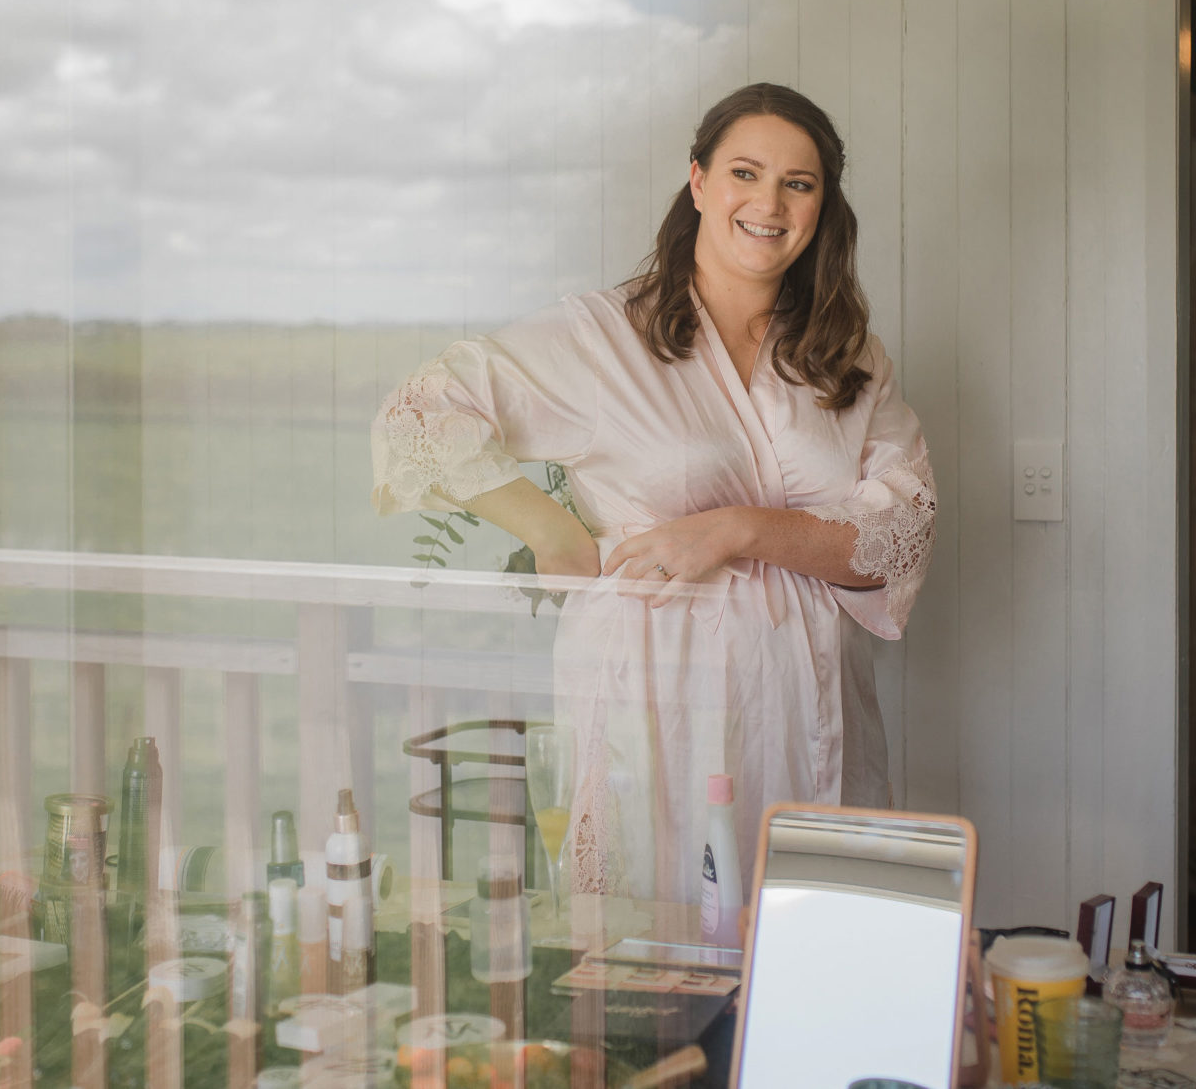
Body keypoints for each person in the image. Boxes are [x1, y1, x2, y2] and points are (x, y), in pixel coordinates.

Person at [371, 83, 935, 904]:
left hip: (812, 696)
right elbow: (421, 409)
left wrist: (736, 529)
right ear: (699, 182)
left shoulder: (846, 357)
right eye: (745, 172)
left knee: (805, 944)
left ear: (823, 205)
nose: (769, 203)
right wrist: (552, 531)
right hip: (656, 693)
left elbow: (901, 533)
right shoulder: (603, 339)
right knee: (651, 943)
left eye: (798, 183)